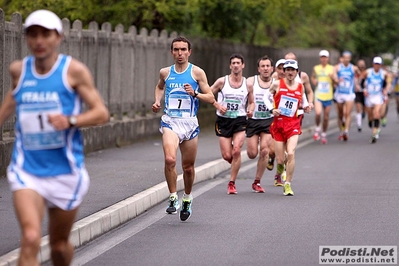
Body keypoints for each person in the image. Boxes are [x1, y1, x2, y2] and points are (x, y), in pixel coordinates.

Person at [0, 10, 109, 266]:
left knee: (59, 247)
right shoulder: (19, 71)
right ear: (27, 38)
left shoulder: (73, 71)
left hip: (65, 171)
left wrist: (70, 120)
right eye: (33, 34)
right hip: (27, 169)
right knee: (30, 237)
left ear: (58, 37)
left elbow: (101, 112)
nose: (39, 40)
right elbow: (8, 106)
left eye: (45, 34)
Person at [152, 36, 215, 221]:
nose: (180, 53)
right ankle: (173, 197)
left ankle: (187, 197)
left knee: (188, 168)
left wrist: (195, 93)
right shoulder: (165, 72)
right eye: (176, 50)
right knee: (170, 159)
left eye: (183, 50)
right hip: (170, 121)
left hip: (189, 123)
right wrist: (157, 101)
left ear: (189, 52)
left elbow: (211, 97)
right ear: (172, 52)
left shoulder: (197, 73)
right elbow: (159, 87)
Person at [211, 54, 254, 194]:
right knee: (227, 156)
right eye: (233, 63)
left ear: (243, 65)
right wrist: (218, 105)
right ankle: (236, 163)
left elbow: (252, 102)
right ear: (230, 66)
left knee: (236, 150)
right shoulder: (221, 82)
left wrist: (250, 110)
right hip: (224, 120)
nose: (236, 65)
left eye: (238, 63)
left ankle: (232, 183)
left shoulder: (247, 84)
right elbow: (208, 94)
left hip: (240, 120)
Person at [269, 60, 311, 196]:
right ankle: (280, 168)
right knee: (280, 160)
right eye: (287, 70)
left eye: (293, 70)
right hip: (279, 124)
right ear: (284, 72)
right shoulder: (277, 84)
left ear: (297, 72)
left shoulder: (300, 86)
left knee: (291, 153)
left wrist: (307, 106)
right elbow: (265, 96)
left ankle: (287, 184)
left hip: (293, 124)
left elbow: (304, 102)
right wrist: (272, 109)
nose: (290, 72)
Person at [246, 55, 275, 193]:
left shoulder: (277, 83)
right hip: (253, 120)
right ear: (258, 69)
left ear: (272, 68)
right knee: (252, 153)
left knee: (264, 151)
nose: (265, 68)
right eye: (262, 66)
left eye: (267, 66)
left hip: (268, 120)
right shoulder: (251, 81)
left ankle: (257, 181)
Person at [333, 51, 360, 141]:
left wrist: (357, 83)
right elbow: (333, 75)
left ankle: (346, 131)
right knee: (341, 114)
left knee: (347, 113)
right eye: (345, 57)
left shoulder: (353, 68)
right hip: (340, 93)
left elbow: (360, 75)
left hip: (349, 93)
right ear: (342, 58)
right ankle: (341, 130)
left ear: (350, 59)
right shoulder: (337, 67)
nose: (346, 59)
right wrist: (336, 80)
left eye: (348, 58)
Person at [311, 50, 335, 144]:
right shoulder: (316, 68)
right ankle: (317, 128)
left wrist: (333, 77)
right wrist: (314, 81)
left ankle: (324, 134)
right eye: (322, 57)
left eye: (325, 57)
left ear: (328, 58)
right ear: (320, 58)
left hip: (328, 95)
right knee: (318, 113)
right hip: (318, 94)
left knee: (326, 117)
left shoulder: (332, 68)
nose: (324, 59)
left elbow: (336, 80)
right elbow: (312, 77)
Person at [363, 56, 388, 143]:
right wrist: (364, 89)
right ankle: (370, 121)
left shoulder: (383, 73)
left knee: (377, 114)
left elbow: (386, 83)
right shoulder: (368, 72)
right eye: (376, 64)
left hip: (378, 96)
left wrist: (385, 90)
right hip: (369, 96)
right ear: (373, 64)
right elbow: (361, 81)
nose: (377, 66)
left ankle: (374, 133)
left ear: (381, 65)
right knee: (370, 116)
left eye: (379, 64)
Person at [355, 59, 367, 132]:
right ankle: (359, 124)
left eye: (362, 64)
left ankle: (363, 114)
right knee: (358, 108)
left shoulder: (367, 73)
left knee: (364, 108)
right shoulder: (355, 73)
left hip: (365, 93)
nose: (361, 66)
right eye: (360, 64)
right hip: (358, 92)